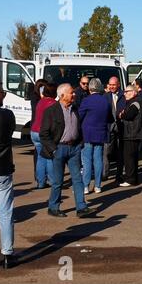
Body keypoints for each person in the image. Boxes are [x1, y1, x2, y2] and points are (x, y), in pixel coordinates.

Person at [39, 83, 97, 218]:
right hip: (58, 149)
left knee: (77, 179)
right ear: (62, 95)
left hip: (74, 148)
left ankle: (81, 208)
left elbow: (80, 127)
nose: (74, 94)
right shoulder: (51, 111)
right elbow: (44, 134)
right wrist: (53, 150)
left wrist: (80, 143)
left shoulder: (75, 108)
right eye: (72, 92)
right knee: (58, 181)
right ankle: (53, 207)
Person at [0, 80, 17, 269]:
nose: (4, 96)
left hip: (1, 168)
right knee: (5, 213)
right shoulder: (8, 115)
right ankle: (7, 253)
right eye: (3, 93)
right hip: (1, 168)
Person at [79, 78, 113, 195]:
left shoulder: (86, 100)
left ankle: (85, 186)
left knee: (87, 161)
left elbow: (80, 116)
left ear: (90, 88)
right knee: (98, 160)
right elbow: (110, 118)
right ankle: (98, 186)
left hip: (88, 133)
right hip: (101, 133)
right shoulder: (105, 101)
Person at [119, 85, 142, 187]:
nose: (125, 93)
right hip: (133, 133)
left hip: (132, 134)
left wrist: (122, 114)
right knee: (132, 157)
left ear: (133, 92)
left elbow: (129, 115)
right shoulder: (136, 101)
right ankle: (132, 178)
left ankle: (130, 179)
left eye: (127, 91)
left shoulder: (135, 102)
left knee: (129, 158)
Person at [30, 82, 57, 189]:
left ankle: (40, 182)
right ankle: (51, 180)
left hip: (34, 131)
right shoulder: (54, 104)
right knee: (50, 157)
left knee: (41, 157)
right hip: (44, 133)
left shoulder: (40, 102)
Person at [103, 76, 125, 182]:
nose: (111, 87)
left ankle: (119, 175)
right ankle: (105, 174)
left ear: (118, 85)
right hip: (109, 127)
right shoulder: (105, 96)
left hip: (121, 127)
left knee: (120, 152)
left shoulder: (124, 95)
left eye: (114, 85)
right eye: (110, 85)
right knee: (106, 151)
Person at [30, 79, 48, 183]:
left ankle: (39, 178)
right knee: (44, 155)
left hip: (34, 128)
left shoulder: (33, 97)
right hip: (41, 129)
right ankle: (43, 177)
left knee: (38, 154)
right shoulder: (40, 100)